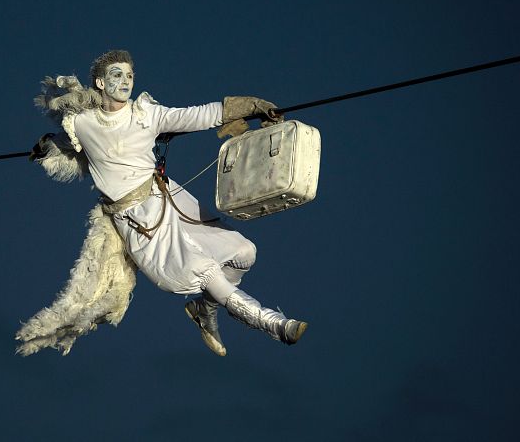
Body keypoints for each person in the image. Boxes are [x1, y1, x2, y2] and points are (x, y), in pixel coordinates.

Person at [16, 50, 307, 356]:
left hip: (165, 196)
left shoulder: (146, 115)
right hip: (137, 219)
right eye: (117, 75)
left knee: (244, 253)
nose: (126, 81)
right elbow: (67, 142)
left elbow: (197, 115)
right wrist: (46, 146)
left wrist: (250, 106)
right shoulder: (82, 122)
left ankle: (204, 311)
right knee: (205, 271)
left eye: (130, 75)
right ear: (100, 83)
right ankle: (274, 324)